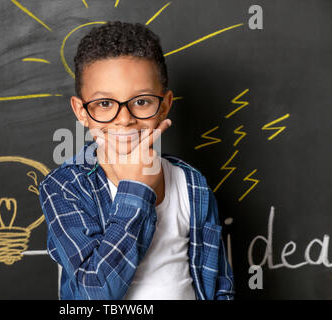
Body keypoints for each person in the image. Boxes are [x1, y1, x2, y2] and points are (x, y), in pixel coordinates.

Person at [38, 21, 234, 300]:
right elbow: (93, 293)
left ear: (164, 105)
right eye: (104, 104)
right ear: (81, 112)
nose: (124, 118)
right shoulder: (65, 187)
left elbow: (219, 284)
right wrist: (136, 191)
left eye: (141, 101)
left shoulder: (192, 184)